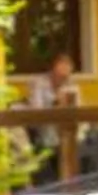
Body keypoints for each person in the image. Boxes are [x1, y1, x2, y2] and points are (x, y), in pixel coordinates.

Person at [23, 54, 80, 184]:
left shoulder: (72, 84)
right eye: (60, 76)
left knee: (75, 136)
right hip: (41, 131)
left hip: (65, 133)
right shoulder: (39, 83)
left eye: (66, 76)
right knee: (51, 136)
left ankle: (69, 181)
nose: (63, 79)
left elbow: (78, 109)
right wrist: (55, 102)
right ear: (52, 70)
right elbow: (36, 109)